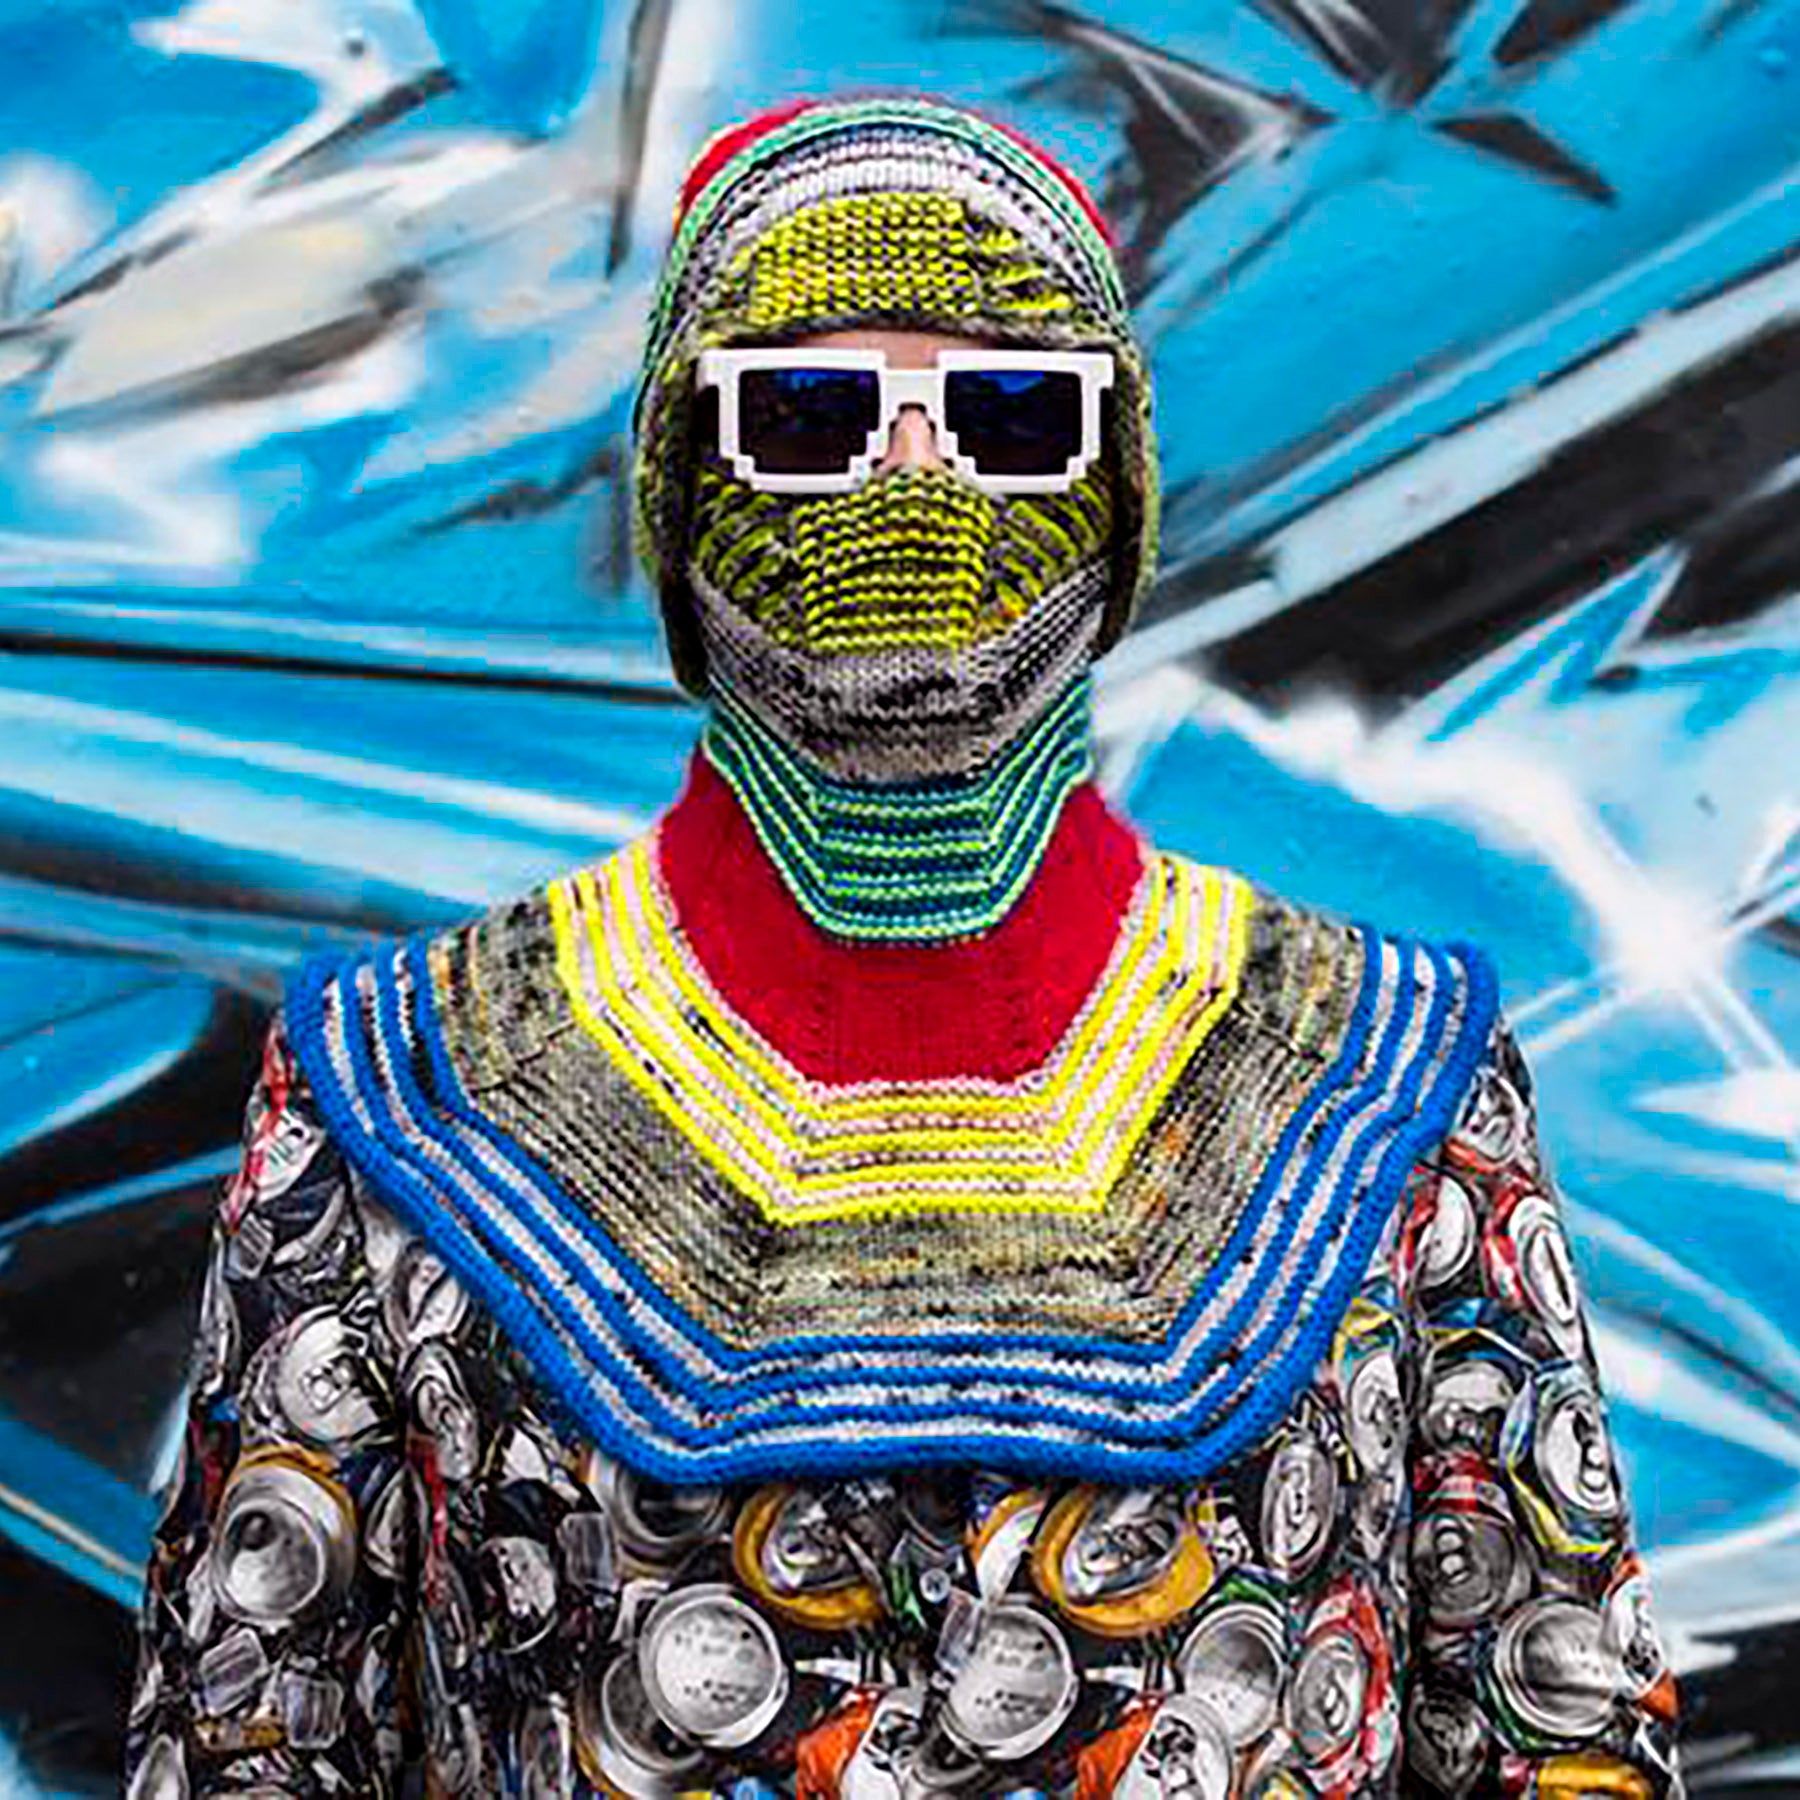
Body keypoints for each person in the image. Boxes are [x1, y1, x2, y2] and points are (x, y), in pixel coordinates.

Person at [123, 94, 1683, 1800]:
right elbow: (247, 1748)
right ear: (682, 485)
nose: (914, 479)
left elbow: (1562, 1745)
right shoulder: (395, 1105)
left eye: (1013, 414)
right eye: (807, 412)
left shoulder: (1396, 1093)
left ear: (1115, 497)